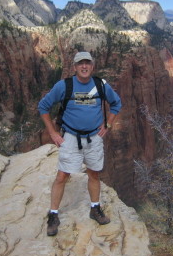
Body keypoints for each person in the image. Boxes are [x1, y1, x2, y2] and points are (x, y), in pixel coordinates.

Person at [38, 51, 122, 236]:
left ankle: (95, 208)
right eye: (80, 63)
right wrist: (52, 132)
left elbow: (116, 104)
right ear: (74, 67)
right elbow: (43, 107)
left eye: (88, 63)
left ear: (92, 66)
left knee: (94, 174)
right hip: (70, 138)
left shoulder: (101, 85)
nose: (84, 67)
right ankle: (53, 214)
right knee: (62, 176)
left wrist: (108, 124)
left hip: (94, 139)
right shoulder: (64, 86)